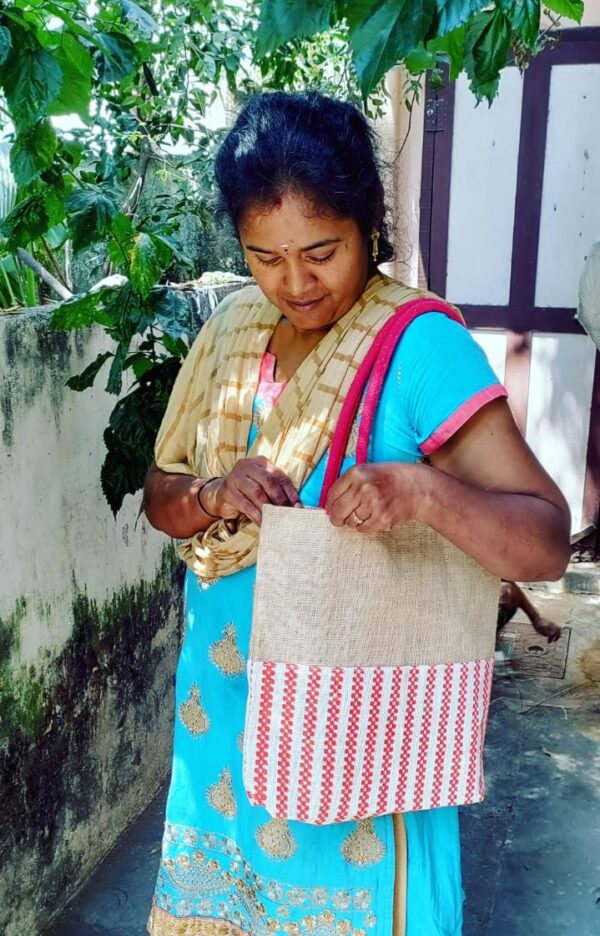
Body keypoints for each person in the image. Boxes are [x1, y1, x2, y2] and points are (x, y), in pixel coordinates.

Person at [143, 91, 570, 936]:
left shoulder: (418, 347)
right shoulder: (232, 329)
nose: (294, 284)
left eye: (322, 252)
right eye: (264, 257)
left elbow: (545, 541)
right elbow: (162, 499)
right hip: (223, 710)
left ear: (369, 226)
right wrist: (214, 493)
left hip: (355, 722)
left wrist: (421, 492)